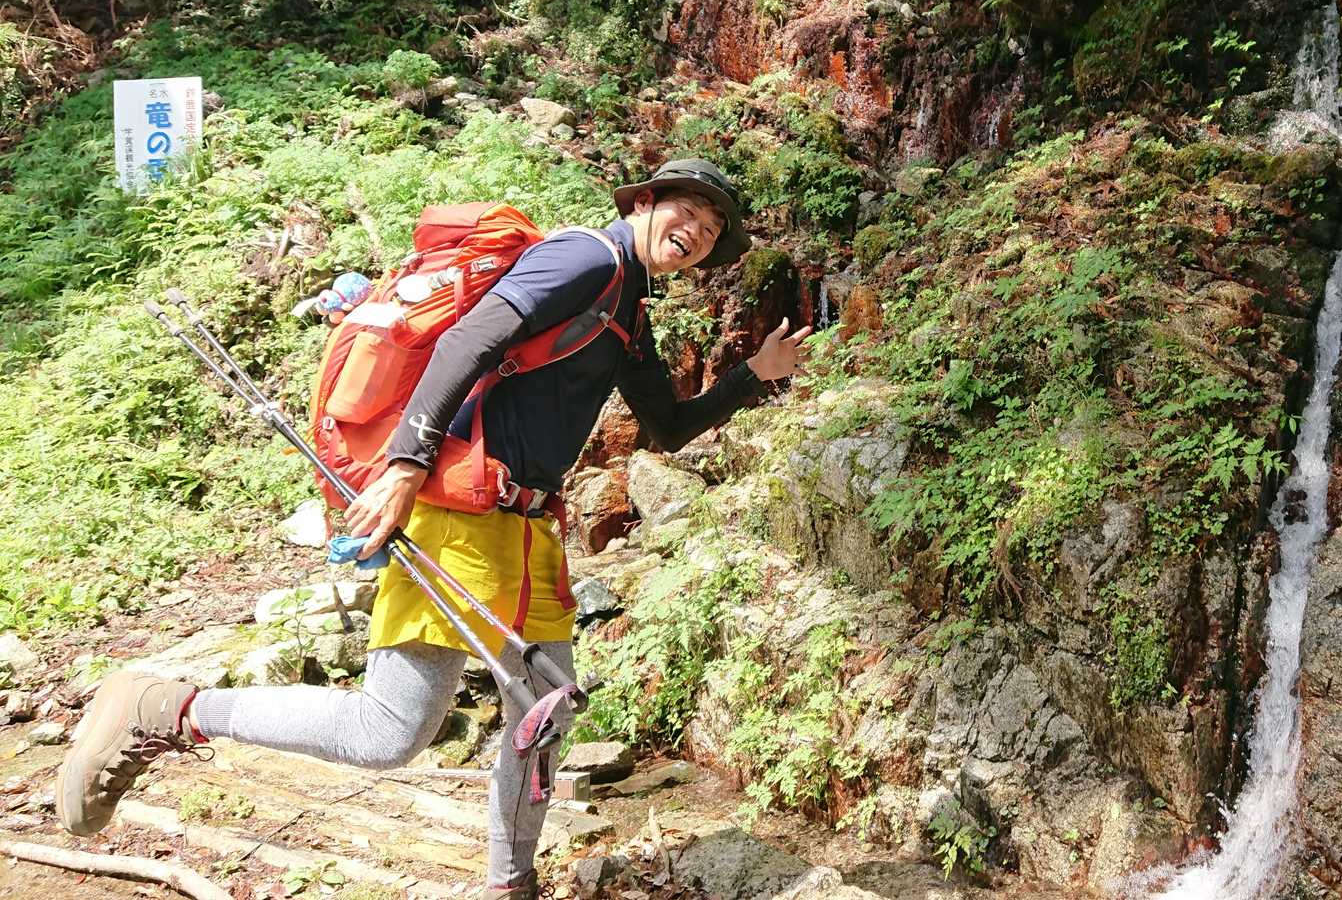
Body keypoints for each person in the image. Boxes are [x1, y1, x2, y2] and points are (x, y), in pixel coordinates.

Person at [57, 159, 812, 898]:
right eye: (688, 210)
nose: (697, 231)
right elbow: (466, 341)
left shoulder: (629, 308)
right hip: (460, 514)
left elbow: (668, 427)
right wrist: (405, 467)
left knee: (544, 713)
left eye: (712, 228)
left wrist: (754, 374)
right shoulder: (586, 259)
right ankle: (171, 708)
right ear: (644, 202)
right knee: (388, 731)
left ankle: (510, 882)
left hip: (525, 529)